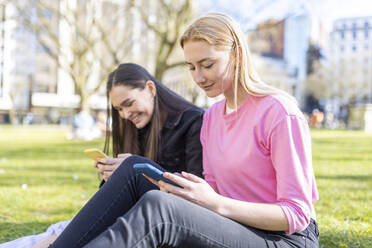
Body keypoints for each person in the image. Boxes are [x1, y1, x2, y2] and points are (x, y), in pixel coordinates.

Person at [50, 13, 319, 248]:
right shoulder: (212, 117)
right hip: (234, 224)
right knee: (133, 169)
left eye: (208, 64)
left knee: (160, 208)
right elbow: (211, 189)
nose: (199, 77)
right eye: (192, 67)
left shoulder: (280, 113)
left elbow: (295, 214)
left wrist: (215, 203)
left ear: (236, 55)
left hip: (285, 239)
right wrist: (179, 187)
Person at [0, 63, 203, 248]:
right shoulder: (138, 128)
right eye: (119, 109)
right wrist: (112, 178)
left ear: (150, 89)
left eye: (129, 103)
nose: (125, 115)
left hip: (162, 219)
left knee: (58, 238)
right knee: (48, 236)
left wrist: (136, 169)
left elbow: (196, 190)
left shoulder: (192, 122)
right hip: (127, 214)